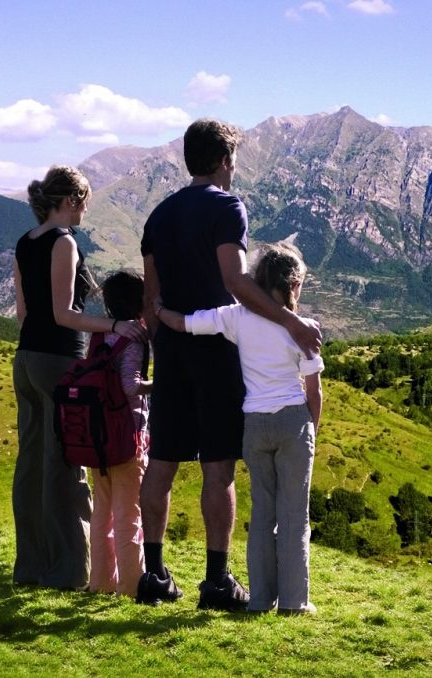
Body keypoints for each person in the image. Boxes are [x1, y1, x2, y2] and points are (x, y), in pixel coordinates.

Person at [137, 119, 322, 609]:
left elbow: (151, 298)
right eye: (233, 161)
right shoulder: (226, 206)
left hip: (171, 347)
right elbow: (236, 281)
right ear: (223, 160)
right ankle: (216, 582)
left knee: (161, 463)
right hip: (216, 350)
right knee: (217, 468)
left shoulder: (159, 215)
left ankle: (153, 576)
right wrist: (291, 323)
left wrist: (159, 351)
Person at [157, 243, 323, 615]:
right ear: (293, 284)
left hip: (254, 425)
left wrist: (159, 310)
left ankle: (261, 599)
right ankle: (294, 602)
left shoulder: (236, 316)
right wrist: (311, 432)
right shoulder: (303, 329)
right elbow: (314, 392)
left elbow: (186, 323)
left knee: (262, 514)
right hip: (292, 421)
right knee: (294, 516)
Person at [12, 166, 147, 590]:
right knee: (64, 462)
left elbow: (23, 313)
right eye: (85, 201)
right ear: (70, 201)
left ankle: (30, 565)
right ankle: (68, 570)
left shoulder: (25, 241)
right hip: (59, 361)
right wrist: (115, 326)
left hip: (25, 359)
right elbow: (63, 314)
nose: (86, 209)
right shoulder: (64, 242)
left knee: (30, 463)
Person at [88, 271, 152, 597]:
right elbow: (130, 386)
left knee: (102, 512)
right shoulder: (135, 338)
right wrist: (161, 384)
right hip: (127, 435)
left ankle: (100, 581)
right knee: (129, 514)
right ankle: (132, 585)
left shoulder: (100, 334)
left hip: (96, 435)